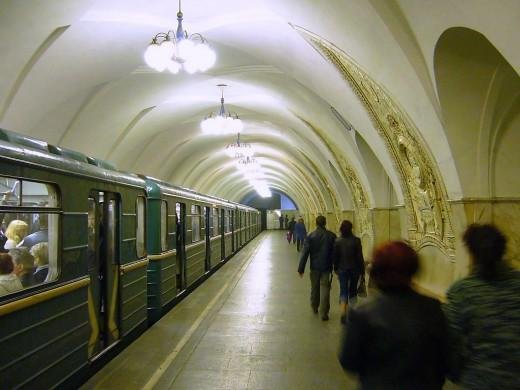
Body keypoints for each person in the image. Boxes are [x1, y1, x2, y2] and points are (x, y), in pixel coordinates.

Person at [339, 241, 447, 389]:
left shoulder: (362, 312)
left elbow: (349, 361)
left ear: (377, 270)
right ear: (413, 269)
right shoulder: (433, 308)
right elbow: (445, 359)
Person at [444, 224, 520, 389]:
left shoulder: (462, 291)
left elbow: (451, 342)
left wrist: (457, 374)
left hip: (479, 380)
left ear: (472, 254)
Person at [297, 215, 336, 321]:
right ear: (325, 223)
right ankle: (324, 312)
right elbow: (335, 253)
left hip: (314, 267)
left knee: (314, 288)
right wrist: (335, 265)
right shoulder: (331, 236)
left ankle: (314, 306)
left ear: (316, 223)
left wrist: (301, 269)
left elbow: (305, 253)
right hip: (327, 267)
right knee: (325, 289)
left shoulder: (310, 236)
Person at [332, 220, 365, 324]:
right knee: (353, 291)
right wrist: (362, 271)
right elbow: (360, 257)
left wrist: (335, 268)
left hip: (342, 269)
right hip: (355, 269)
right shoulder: (356, 241)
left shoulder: (338, 241)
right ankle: (352, 312)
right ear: (351, 228)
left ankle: (343, 312)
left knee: (343, 291)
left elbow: (335, 257)